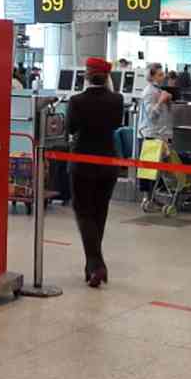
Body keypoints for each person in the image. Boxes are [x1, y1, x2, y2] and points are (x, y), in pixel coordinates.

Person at [66, 58, 123, 288]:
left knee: (84, 213)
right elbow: (116, 124)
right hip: (108, 163)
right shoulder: (117, 99)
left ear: (87, 75)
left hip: (82, 163)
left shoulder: (76, 101)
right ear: (107, 76)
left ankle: (96, 265)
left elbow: (70, 128)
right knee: (100, 213)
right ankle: (92, 267)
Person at [138, 63, 174, 204]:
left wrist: (167, 101)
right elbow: (151, 115)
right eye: (159, 74)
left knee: (156, 170)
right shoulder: (149, 92)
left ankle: (151, 197)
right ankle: (148, 198)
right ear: (151, 76)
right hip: (152, 134)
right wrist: (161, 101)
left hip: (159, 134)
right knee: (149, 170)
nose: (163, 77)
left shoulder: (157, 90)